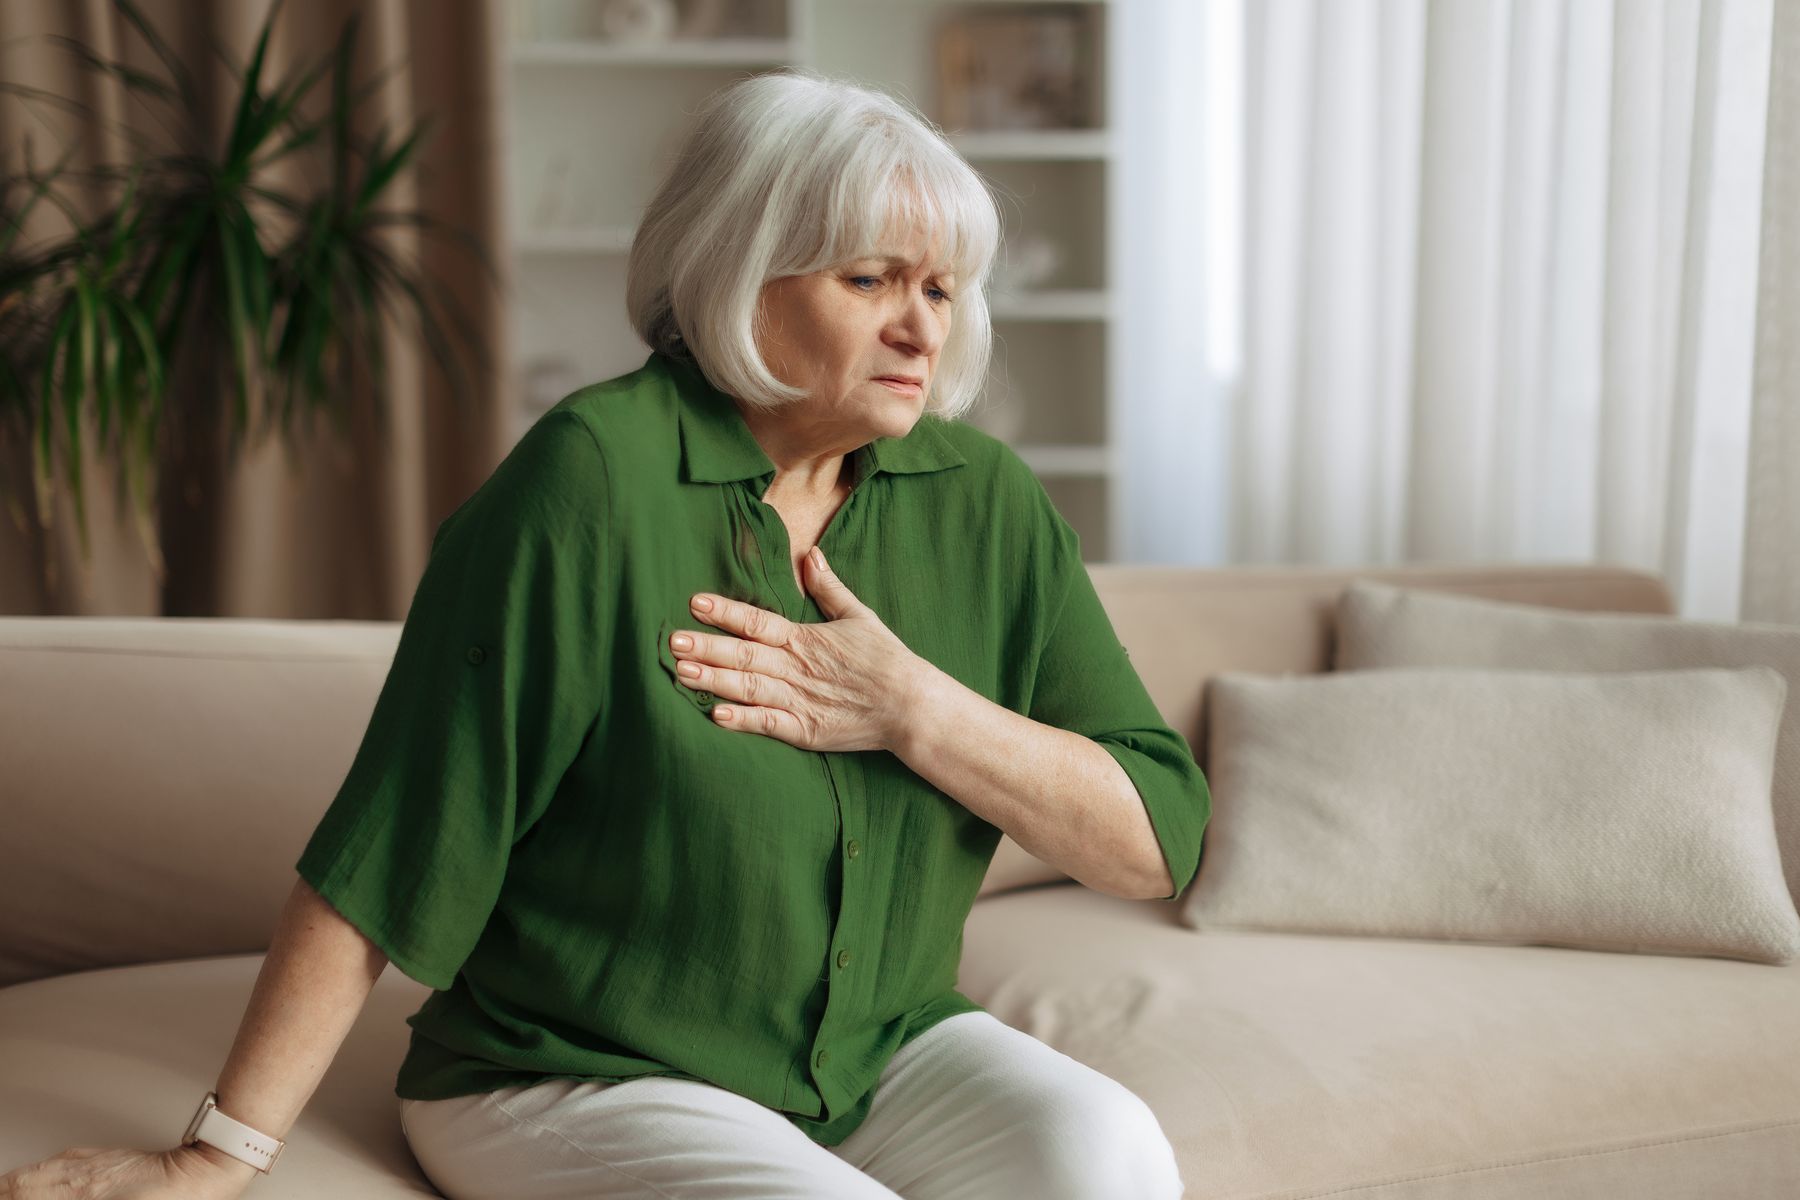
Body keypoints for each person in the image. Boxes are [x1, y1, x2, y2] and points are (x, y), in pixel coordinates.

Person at [0, 68, 1208, 1199]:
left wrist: (916, 709)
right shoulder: (588, 483)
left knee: (1110, 1153)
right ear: (740, 270)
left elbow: (1158, 841)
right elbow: (393, 841)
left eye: (941, 289)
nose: (921, 329)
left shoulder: (982, 498)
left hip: (876, 1055)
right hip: (580, 1071)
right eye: (871, 280)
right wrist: (213, 1159)